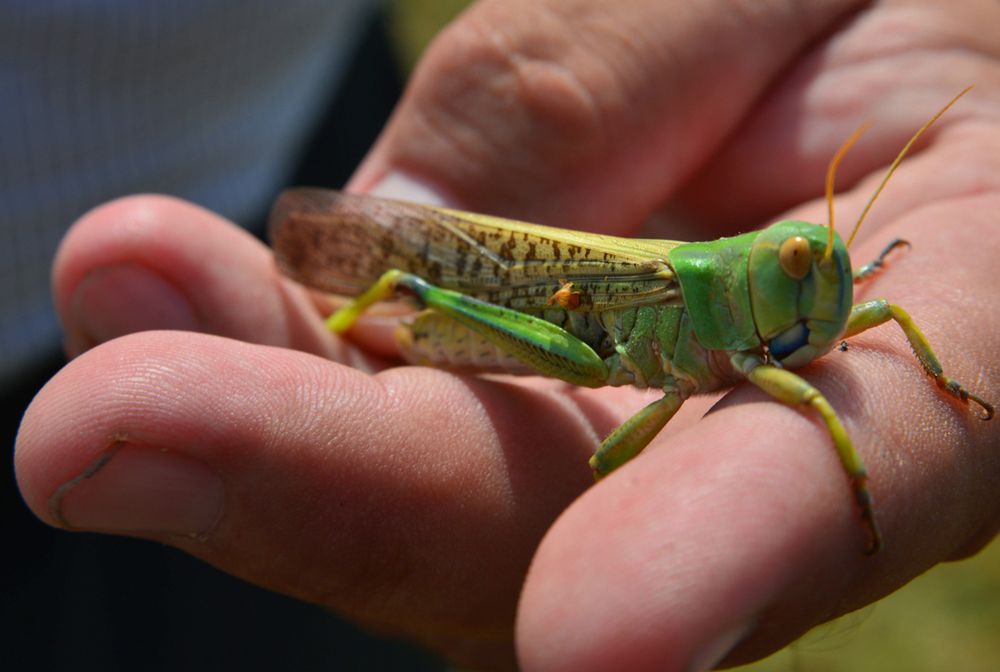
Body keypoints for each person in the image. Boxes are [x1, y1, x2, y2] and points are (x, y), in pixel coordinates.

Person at [14, 1, 1000, 670]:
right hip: (556, 327)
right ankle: (336, 330)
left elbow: (884, 319)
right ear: (755, 274)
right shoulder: (697, 306)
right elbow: (629, 410)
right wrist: (854, 481)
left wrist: (936, 379)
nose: (821, 287)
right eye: (800, 268)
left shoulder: (807, 318)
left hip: (289, 100)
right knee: (401, 270)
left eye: (823, 270)